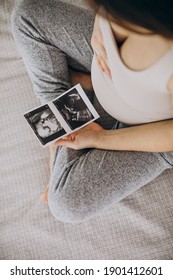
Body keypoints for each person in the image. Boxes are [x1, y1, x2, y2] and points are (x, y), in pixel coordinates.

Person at [12, 0, 173, 223]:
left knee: (66, 204)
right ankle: (79, 96)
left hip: (148, 125)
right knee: (26, 17)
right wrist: (100, 26)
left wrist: (100, 138)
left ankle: (73, 100)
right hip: (103, 64)